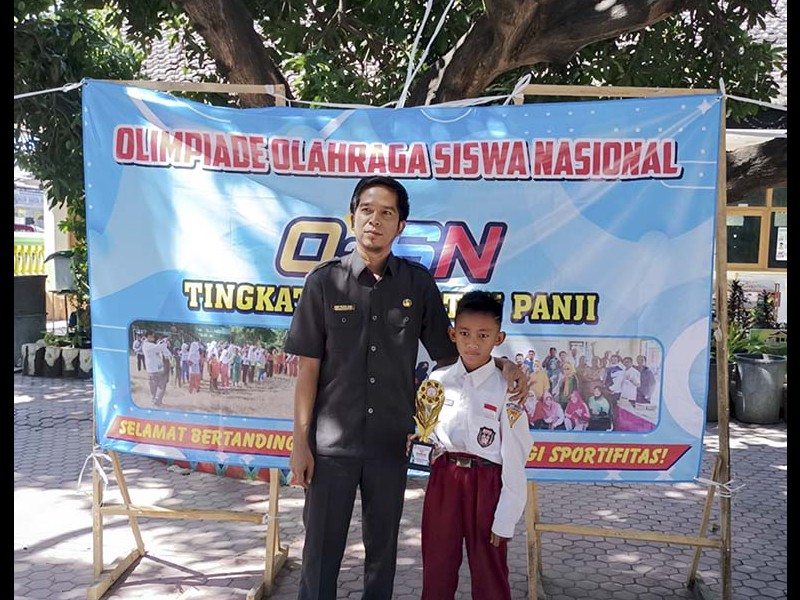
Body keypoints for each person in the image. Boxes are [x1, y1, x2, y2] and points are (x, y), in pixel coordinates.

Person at [285, 175, 528, 600]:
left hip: (390, 444)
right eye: (366, 210)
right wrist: (300, 445)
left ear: (400, 226)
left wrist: (503, 365)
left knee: (382, 556)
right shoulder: (323, 282)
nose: (374, 221)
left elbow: (453, 353)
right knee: (320, 555)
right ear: (352, 217)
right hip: (331, 447)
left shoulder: (416, 285)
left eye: (387, 213)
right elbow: (308, 369)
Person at [409, 291, 533, 600]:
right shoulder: (438, 380)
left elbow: (515, 457)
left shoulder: (507, 387)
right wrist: (418, 441)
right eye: (464, 334)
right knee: (437, 568)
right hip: (444, 481)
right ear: (453, 334)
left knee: (490, 571)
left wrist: (506, 516)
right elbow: (430, 433)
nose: (473, 343)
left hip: (487, 484)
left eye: (483, 335)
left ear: (498, 338)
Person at [142, 331, 171, 406]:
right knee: (162, 386)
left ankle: (154, 400)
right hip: (155, 369)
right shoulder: (148, 345)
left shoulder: (147, 345)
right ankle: (157, 401)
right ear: (148, 336)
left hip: (152, 369)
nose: (154, 337)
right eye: (152, 336)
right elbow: (159, 347)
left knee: (153, 387)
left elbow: (158, 347)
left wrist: (162, 342)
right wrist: (164, 341)